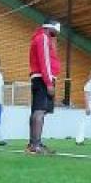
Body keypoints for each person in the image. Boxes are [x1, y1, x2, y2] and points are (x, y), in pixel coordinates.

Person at [27, 18, 61, 155]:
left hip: (40, 78)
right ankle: (35, 145)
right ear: (50, 27)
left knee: (37, 111)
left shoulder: (41, 37)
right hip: (43, 78)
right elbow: (45, 61)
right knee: (40, 111)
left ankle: (34, 143)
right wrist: (49, 83)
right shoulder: (43, 38)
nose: (57, 33)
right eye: (56, 29)